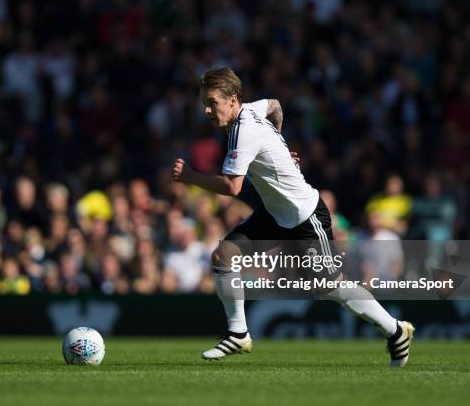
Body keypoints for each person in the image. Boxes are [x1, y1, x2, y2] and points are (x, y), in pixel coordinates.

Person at [171, 68, 414, 366]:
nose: (207, 110)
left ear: (233, 99)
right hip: (275, 214)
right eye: (204, 104)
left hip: (305, 216)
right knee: (224, 256)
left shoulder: (243, 130)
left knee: (330, 286)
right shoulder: (249, 110)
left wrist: (191, 177)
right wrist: (279, 146)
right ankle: (238, 334)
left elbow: (233, 187)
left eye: (212, 102)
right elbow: (274, 105)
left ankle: (395, 330)